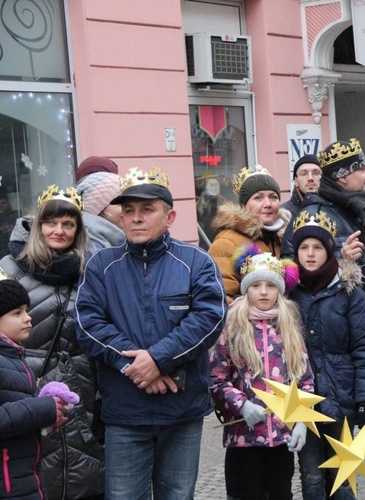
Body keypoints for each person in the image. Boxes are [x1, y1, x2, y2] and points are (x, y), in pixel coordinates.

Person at [75, 167, 226, 499]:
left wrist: (159, 359)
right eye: (128, 210)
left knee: (177, 495)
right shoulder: (101, 266)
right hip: (125, 412)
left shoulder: (196, 263)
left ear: (169, 216)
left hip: (181, 410)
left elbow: (209, 319)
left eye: (147, 209)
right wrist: (136, 366)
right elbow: (88, 325)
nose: (136, 218)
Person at [281, 138, 365, 499]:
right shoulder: (309, 215)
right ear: (343, 177)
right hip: (342, 354)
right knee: (343, 446)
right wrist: (339, 260)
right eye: (362, 169)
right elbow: (292, 276)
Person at [0, 185, 105, 499]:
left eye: (68, 224)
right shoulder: (8, 269)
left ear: (79, 229)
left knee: (85, 477)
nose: (59, 230)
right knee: (32, 474)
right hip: (24, 387)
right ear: (37, 225)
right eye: (51, 222)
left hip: (81, 389)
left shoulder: (92, 271)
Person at [288, 211, 365, 499]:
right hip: (302, 403)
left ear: (329, 250)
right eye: (304, 247)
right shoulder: (288, 294)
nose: (311, 254)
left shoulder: (349, 291)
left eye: (317, 247)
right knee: (312, 476)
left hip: (341, 396)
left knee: (344, 474)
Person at [210, 248, 312, 500]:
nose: (264, 291)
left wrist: (302, 421)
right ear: (247, 289)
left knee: (280, 492)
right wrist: (241, 405)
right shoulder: (232, 326)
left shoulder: (288, 327)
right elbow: (216, 378)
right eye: (256, 285)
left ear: (279, 289)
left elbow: (304, 379)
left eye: (270, 285)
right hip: (243, 438)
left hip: (280, 438)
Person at [0, 274, 71, 499]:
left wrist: (52, 412)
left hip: (25, 480)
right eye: (17, 313)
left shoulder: (16, 358)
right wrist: (43, 409)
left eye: (27, 310)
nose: (28, 318)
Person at [210, 165, 290, 303]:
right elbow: (220, 297)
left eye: (273, 197)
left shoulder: (284, 239)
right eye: (258, 198)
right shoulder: (227, 242)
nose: (268, 204)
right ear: (244, 205)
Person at [76, 170, 126, 249]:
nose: (126, 209)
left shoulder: (112, 239)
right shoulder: (92, 247)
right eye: (119, 204)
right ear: (99, 208)